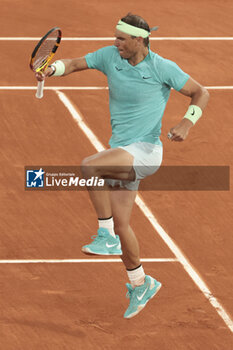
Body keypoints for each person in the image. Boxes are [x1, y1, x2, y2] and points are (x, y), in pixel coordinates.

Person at [36, 13, 209, 319]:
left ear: (139, 40)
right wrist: (52, 69)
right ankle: (140, 282)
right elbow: (75, 63)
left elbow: (200, 92)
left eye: (121, 39)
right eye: (115, 37)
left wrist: (186, 123)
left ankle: (104, 236)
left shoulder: (162, 68)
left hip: (145, 152)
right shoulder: (108, 56)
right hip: (122, 151)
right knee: (123, 224)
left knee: (90, 167)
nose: (115, 43)